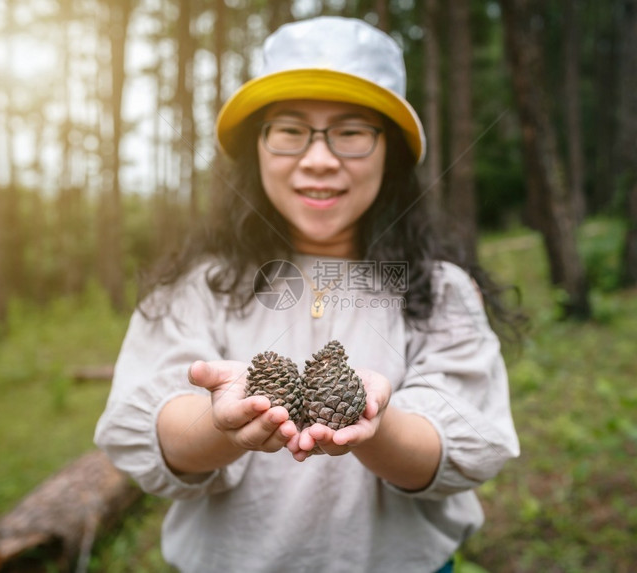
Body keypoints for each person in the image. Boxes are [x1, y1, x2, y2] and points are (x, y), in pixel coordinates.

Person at [94, 15, 522, 573]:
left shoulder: (442, 290)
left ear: (389, 150)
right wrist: (224, 422)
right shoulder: (199, 286)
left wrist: (376, 424)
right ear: (257, 148)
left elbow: (460, 445)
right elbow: (153, 430)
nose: (319, 159)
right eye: (290, 130)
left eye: (350, 132)